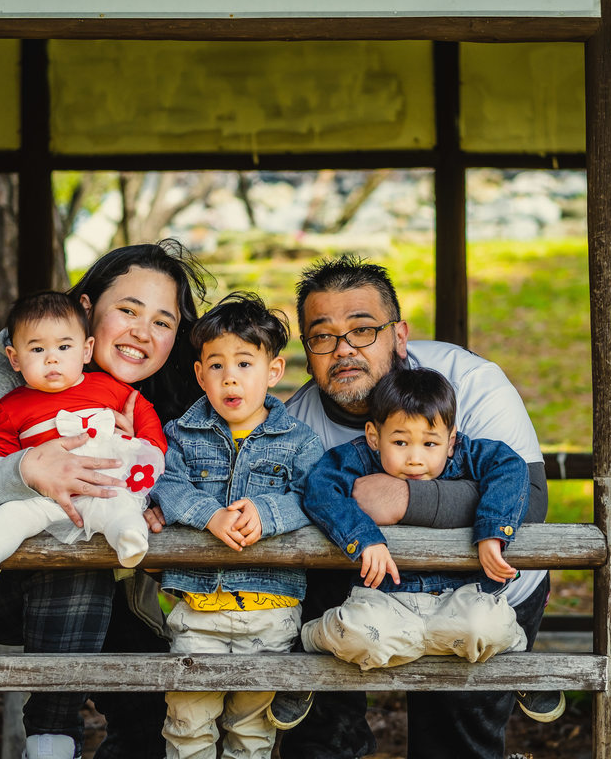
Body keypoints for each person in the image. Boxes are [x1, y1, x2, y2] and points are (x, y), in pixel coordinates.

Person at [275, 256, 558, 759]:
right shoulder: (293, 425)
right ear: (307, 351)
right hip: (358, 597)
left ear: (399, 335)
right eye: (322, 336)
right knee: (322, 741)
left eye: (363, 330)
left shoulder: (468, 382)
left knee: (455, 745)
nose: (344, 349)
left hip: (484, 593)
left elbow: (529, 497)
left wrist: (404, 499)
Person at [0, 240, 208, 759]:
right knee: (77, 554)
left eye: (162, 321)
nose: (142, 333)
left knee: (158, 711)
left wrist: (158, 496)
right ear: (86, 309)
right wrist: (25, 469)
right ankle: (52, 738)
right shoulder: (8, 376)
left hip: (120, 589)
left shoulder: (157, 395)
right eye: (128, 310)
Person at [151, 292, 325, 759]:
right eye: (216, 365)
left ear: (274, 371)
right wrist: (208, 514)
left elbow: (316, 497)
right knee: (188, 723)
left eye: (245, 363)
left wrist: (268, 514)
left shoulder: (299, 442)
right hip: (198, 609)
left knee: (251, 733)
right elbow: (164, 482)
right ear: (199, 375)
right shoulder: (180, 434)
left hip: (271, 611)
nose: (230, 377)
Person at [301, 367, 528, 670]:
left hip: (458, 598)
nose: (415, 459)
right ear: (374, 436)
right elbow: (320, 489)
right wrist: (363, 539)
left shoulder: (466, 455)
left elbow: (511, 467)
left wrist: (493, 532)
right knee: (365, 637)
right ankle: (316, 636)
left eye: (430, 444)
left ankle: (501, 649)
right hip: (385, 600)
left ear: (451, 441)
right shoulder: (358, 459)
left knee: (485, 627)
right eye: (400, 443)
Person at [0, 291, 168, 580]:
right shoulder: (11, 407)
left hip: (105, 488)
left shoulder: (108, 387)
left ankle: (130, 540)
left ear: (86, 350)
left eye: (64, 347)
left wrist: (147, 448)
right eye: (37, 350)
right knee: (13, 514)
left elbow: (145, 414)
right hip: (46, 499)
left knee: (120, 508)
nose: (51, 359)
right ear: (15, 358)